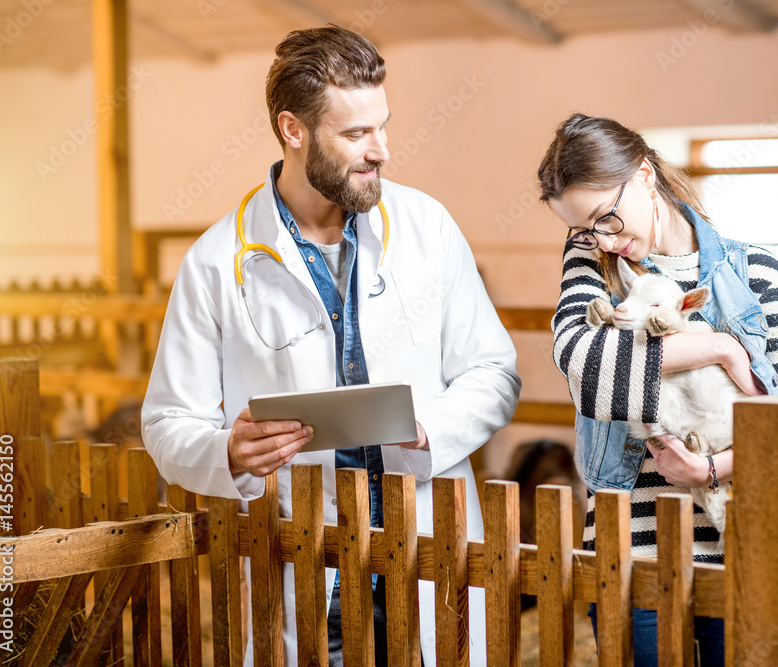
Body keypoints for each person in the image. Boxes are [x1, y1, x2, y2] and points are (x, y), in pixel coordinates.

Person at [141, 26, 521, 667]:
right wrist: (227, 450)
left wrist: (432, 427)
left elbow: (495, 371)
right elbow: (167, 423)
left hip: (422, 540)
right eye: (355, 135)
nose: (382, 151)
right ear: (294, 130)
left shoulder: (428, 228)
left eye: (382, 126)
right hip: (302, 560)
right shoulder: (214, 263)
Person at [538, 114, 778, 665]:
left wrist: (709, 470)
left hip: (741, 547)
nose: (603, 239)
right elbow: (587, 371)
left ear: (645, 175)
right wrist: (721, 350)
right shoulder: (593, 266)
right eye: (583, 230)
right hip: (635, 554)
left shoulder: (759, 272)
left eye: (608, 218)